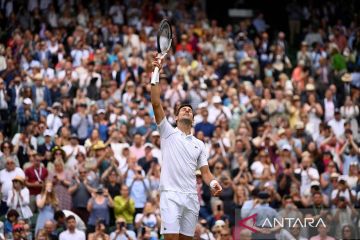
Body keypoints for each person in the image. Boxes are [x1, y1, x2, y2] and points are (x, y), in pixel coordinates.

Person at [150, 53, 222, 239]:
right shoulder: (167, 131)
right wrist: (156, 71)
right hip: (171, 195)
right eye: (183, 109)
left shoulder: (199, 144)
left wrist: (213, 183)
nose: (187, 110)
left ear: (193, 119)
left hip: (191, 197)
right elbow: (156, 103)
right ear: (175, 118)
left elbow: (205, 173)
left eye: (190, 110)